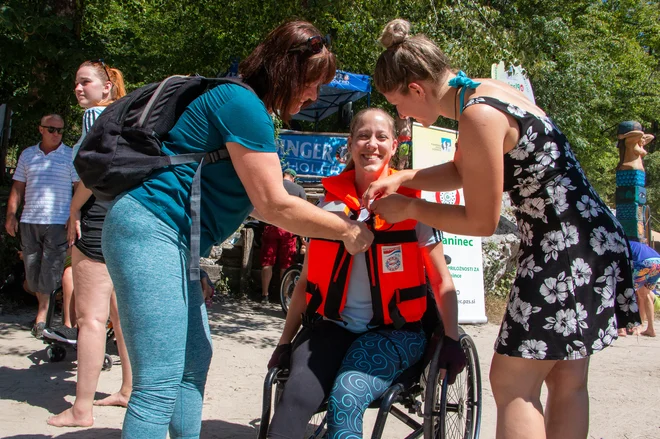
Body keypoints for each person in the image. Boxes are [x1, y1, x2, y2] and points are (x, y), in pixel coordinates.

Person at [364, 19, 639, 439]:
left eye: (398, 104)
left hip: (560, 250)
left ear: (416, 89)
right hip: (591, 242)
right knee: (567, 379)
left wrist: (410, 207)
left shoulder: (477, 117)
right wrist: (407, 176)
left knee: (512, 384)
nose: (401, 115)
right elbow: (466, 170)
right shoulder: (487, 92)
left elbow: (481, 221)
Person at [101, 20, 373, 439]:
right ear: (288, 70)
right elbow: (273, 205)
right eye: (313, 83)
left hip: (175, 242)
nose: (315, 94)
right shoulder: (242, 106)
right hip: (149, 228)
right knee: (158, 383)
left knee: (193, 364)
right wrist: (345, 229)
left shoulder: (246, 107)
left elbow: (266, 189)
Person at [266, 108, 465, 439]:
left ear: (394, 147)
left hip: (396, 332)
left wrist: (453, 338)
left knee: (347, 393)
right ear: (350, 143)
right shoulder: (328, 207)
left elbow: (441, 280)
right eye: (363, 135)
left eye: (381, 137)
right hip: (332, 328)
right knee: (294, 400)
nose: (371, 144)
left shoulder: (414, 207)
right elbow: (305, 282)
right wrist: (285, 342)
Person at [47, 60, 133, 428]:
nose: (78, 88)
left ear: (106, 88)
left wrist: (73, 209)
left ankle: (81, 409)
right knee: (119, 315)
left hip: (95, 219)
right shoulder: (125, 117)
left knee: (91, 318)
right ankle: (129, 389)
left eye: (85, 82)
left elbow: (90, 171)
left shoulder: (95, 118)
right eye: (76, 83)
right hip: (124, 218)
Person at [4, 114, 78, 338]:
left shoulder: (69, 155)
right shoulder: (28, 154)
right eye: (52, 129)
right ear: (41, 129)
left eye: (60, 130)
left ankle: (41, 316)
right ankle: (43, 313)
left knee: (51, 268)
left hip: (58, 221)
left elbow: (78, 188)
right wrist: (10, 215)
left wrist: (74, 216)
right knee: (32, 272)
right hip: (29, 220)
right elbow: (18, 187)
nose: (56, 134)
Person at [259, 168, 307, 304]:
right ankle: (283, 296)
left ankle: (264, 295)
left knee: (267, 262)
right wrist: (302, 236)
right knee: (286, 264)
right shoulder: (299, 189)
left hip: (271, 226)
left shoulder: (272, 186)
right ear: (293, 178)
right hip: (288, 229)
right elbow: (303, 213)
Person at [626, 240, 658, 337]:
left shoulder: (620, 243)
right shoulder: (634, 244)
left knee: (639, 295)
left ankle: (638, 326)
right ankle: (650, 329)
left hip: (644, 263)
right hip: (657, 262)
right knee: (647, 294)